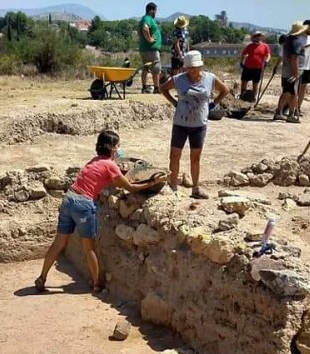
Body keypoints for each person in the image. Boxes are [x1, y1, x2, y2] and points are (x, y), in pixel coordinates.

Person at [34, 129, 166, 293]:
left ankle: (42, 278)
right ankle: (97, 284)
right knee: (89, 247)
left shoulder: (94, 160)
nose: (119, 149)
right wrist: (153, 182)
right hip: (83, 205)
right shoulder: (110, 165)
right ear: (112, 148)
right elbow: (130, 187)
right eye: (117, 146)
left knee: (59, 243)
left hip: (69, 199)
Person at [159, 50, 229, 200]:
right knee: (174, 156)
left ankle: (195, 188)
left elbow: (225, 90)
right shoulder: (178, 79)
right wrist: (174, 103)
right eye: (189, 67)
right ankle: (173, 186)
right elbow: (163, 88)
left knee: (195, 157)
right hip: (180, 123)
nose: (191, 70)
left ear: (200, 66)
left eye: (194, 67)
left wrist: (213, 104)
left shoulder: (210, 78)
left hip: (199, 124)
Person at [273, 21, 308, 124]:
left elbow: (286, 57)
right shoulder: (296, 42)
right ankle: (291, 114)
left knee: (287, 92)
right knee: (292, 93)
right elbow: (294, 59)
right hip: (292, 71)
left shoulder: (288, 40)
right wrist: (296, 74)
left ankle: (280, 112)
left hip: (287, 70)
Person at [138, 2, 162, 93]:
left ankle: (144, 88)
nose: (156, 13)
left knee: (145, 68)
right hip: (151, 50)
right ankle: (156, 88)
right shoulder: (147, 18)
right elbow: (145, 28)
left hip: (145, 49)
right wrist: (150, 39)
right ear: (151, 10)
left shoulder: (145, 19)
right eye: (155, 10)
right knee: (156, 69)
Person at [240, 31, 271, 100]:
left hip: (258, 68)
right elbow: (243, 54)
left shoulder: (265, 46)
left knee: (255, 83)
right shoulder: (250, 46)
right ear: (253, 38)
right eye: (256, 36)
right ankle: (242, 95)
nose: (257, 37)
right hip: (247, 67)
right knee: (244, 81)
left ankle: (254, 97)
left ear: (261, 37)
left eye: (259, 36)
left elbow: (268, 55)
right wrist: (241, 62)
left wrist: (266, 61)